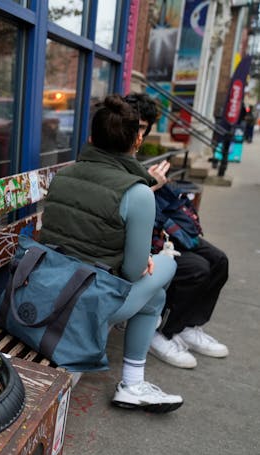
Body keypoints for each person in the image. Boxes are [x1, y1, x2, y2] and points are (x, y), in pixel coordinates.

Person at [39, 94, 182, 413]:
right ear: (138, 139)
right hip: (87, 303)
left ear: (91, 138)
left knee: (154, 297)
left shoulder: (64, 175)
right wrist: (143, 258)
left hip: (46, 288)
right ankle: (131, 384)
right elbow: (132, 273)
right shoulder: (138, 192)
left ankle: (133, 384)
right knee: (167, 265)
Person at [126, 92, 230, 369]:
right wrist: (151, 185)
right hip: (142, 239)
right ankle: (161, 332)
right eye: (135, 127)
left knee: (219, 261)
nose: (139, 135)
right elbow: (118, 204)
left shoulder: (134, 155)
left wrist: (158, 185)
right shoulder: (113, 152)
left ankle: (187, 326)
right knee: (196, 268)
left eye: (144, 129)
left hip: (162, 230)